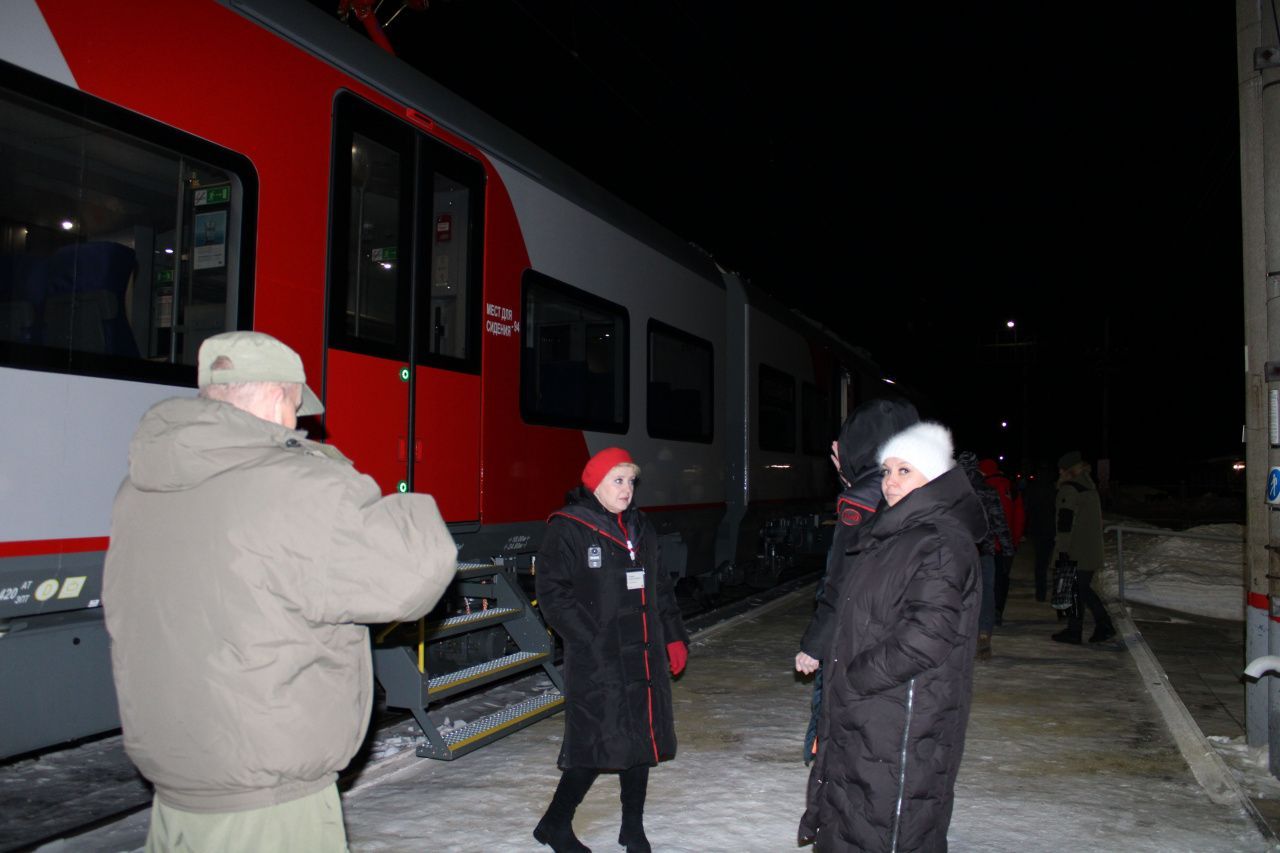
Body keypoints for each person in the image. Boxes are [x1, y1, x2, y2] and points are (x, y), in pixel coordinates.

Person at [102, 331, 458, 851]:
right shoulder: (300, 485)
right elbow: (416, 571)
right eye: (296, 408)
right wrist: (341, 471)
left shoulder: (138, 487)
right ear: (276, 397)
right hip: (268, 801)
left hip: (177, 791)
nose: (297, 424)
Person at [799, 422, 985, 852]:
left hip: (901, 717)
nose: (891, 482)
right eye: (887, 470)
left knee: (886, 829)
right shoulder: (896, 533)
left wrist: (854, 678)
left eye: (906, 471)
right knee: (852, 818)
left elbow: (926, 637)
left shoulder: (939, 543)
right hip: (874, 712)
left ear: (934, 477)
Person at [533, 447, 689, 853]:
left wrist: (673, 636)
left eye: (631, 481)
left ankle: (632, 828)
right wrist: (591, 639)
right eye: (618, 481)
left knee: (640, 741)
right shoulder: (568, 529)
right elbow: (552, 594)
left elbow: (661, 587)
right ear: (596, 484)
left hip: (643, 653)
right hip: (598, 659)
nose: (627, 489)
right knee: (595, 743)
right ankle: (555, 823)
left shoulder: (640, 528)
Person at [795, 397, 919, 764]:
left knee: (835, 730)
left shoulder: (860, 499)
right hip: (902, 635)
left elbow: (842, 582)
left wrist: (814, 644)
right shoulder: (918, 488)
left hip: (858, 636)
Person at [1051, 450, 1117, 645]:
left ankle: (1099, 626)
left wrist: (1061, 551)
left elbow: (1065, 523)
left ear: (1065, 470)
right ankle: (1078, 629)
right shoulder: (1088, 487)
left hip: (1076, 549)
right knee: (1080, 589)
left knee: (1078, 589)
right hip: (1089, 549)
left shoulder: (1070, 490)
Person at [957, 451, 1012, 661]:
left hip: (959, 552)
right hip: (984, 551)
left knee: (960, 592)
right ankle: (983, 634)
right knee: (986, 593)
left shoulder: (953, 492)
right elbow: (999, 522)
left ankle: (960, 636)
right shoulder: (988, 491)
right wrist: (1007, 550)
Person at [978, 457, 1023, 625]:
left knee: (987, 580)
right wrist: (1015, 540)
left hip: (987, 542)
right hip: (1006, 541)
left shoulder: (983, 487)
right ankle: (998, 610)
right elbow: (1019, 515)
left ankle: (986, 613)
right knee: (1003, 578)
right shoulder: (1011, 486)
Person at [1021, 460, 1058, 602]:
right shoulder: (1053, 489)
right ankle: (1057, 594)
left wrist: (1026, 530)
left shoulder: (1033, 489)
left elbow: (1027, 509)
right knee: (1055, 562)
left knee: (1040, 563)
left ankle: (1040, 593)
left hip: (1037, 529)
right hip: (1051, 530)